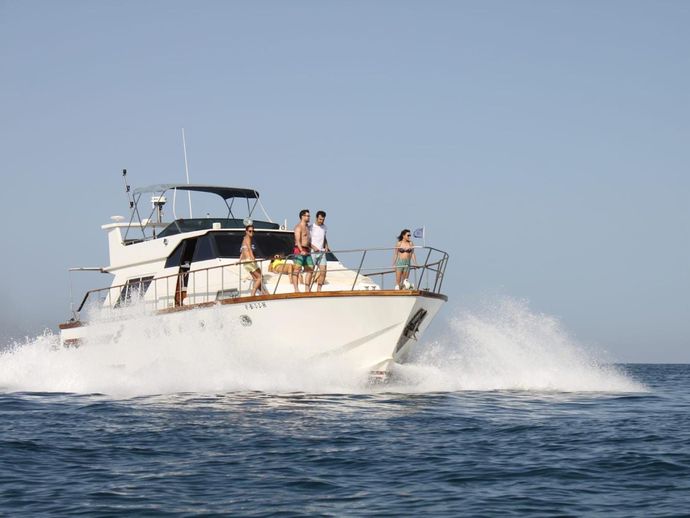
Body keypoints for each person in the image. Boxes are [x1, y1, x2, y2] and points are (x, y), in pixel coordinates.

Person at [240, 223, 268, 296]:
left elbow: (242, 251)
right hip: (249, 261)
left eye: (253, 231)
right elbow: (249, 249)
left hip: (245, 262)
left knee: (256, 279)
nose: (251, 233)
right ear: (246, 231)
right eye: (250, 231)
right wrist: (253, 258)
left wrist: (239, 260)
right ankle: (253, 294)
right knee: (260, 277)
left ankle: (264, 293)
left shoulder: (244, 239)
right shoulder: (248, 238)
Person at [292, 209, 314, 292]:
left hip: (307, 250)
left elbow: (307, 240)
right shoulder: (298, 227)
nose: (309, 217)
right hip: (299, 250)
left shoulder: (307, 227)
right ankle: (296, 289)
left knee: (311, 268)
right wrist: (301, 250)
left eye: (309, 216)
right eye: (307, 216)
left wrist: (314, 247)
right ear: (302, 216)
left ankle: (307, 289)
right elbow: (297, 240)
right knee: (297, 269)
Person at [309, 210, 329, 292]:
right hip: (313, 252)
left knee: (323, 271)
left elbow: (324, 238)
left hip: (322, 252)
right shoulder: (311, 227)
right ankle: (308, 289)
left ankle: (319, 290)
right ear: (316, 218)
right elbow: (307, 240)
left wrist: (327, 246)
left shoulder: (325, 227)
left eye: (323, 219)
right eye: (320, 219)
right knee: (311, 271)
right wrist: (313, 247)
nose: (321, 221)